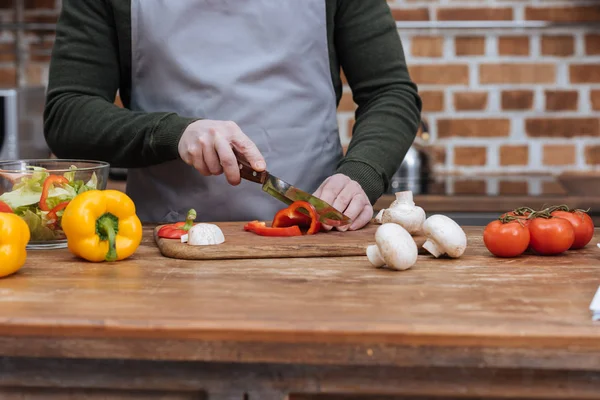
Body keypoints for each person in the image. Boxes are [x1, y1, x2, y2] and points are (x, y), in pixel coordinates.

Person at [43, 0, 422, 231]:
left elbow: (390, 92)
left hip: (316, 233)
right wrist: (174, 133)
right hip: (165, 242)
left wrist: (362, 172)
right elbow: (68, 114)